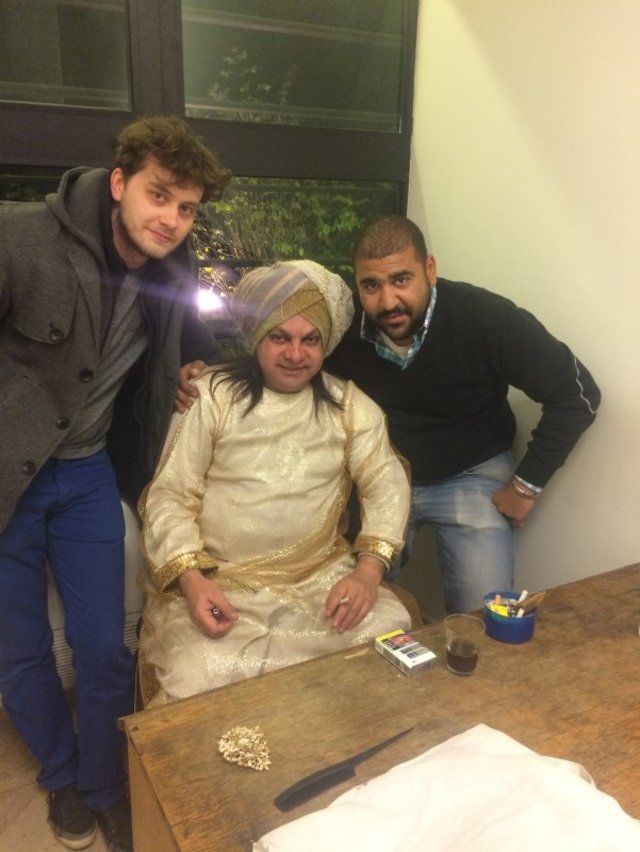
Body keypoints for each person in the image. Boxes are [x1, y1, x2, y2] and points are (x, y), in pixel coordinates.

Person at [0, 116, 230, 851]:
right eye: (159, 196)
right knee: (18, 651)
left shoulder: (172, 268)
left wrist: (191, 369)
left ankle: (105, 786)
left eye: (186, 208)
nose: (171, 219)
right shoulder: (19, 236)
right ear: (121, 182)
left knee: (104, 646)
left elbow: (196, 348)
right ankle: (62, 777)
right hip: (5, 479)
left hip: (89, 474)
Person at [139, 259, 411, 705]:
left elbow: (386, 482)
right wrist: (192, 581)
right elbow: (170, 495)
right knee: (196, 670)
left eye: (310, 340)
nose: (295, 354)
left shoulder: (349, 406)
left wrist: (367, 573)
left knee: (387, 629)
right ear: (256, 336)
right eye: (279, 337)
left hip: (319, 581)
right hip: (222, 584)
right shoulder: (211, 395)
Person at [326, 215, 601, 613]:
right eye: (371, 285)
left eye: (401, 280)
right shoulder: (344, 327)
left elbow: (579, 395)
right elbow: (297, 371)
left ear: (430, 269)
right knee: (348, 606)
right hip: (381, 473)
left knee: (486, 613)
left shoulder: (485, 317)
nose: (388, 302)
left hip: (472, 472)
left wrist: (526, 486)